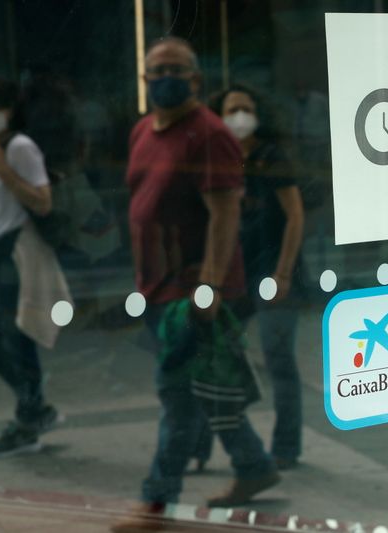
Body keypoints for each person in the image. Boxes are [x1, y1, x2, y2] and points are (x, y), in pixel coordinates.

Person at [112, 37, 278, 533]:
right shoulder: (144, 130)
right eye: (156, 69)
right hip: (158, 289)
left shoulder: (209, 134)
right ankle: (254, 467)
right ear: (144, 81)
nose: (165, 77)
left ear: (195, 80)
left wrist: (206, 290)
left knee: (176, 395)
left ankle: (157, 504)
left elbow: (225, 213)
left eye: (176, 69)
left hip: (193, 296)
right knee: (207, 393)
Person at [0, 76, 65, 459]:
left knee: (13, 336)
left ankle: (28, 419)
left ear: (11, 109)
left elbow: (42, 202)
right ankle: (35, 408)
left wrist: (5, 172)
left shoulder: (20, 147)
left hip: (13, 251)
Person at [210, 84, 305, 470]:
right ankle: (208, 440)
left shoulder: (270, 157)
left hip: (276, 272)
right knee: (215, 352)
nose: (240, 116)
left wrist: (283, 273)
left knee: (278, 356)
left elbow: (295, 216)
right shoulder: (218, 160)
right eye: (232, 109)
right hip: (237, 273)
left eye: (246, 109)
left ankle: (286, 446)